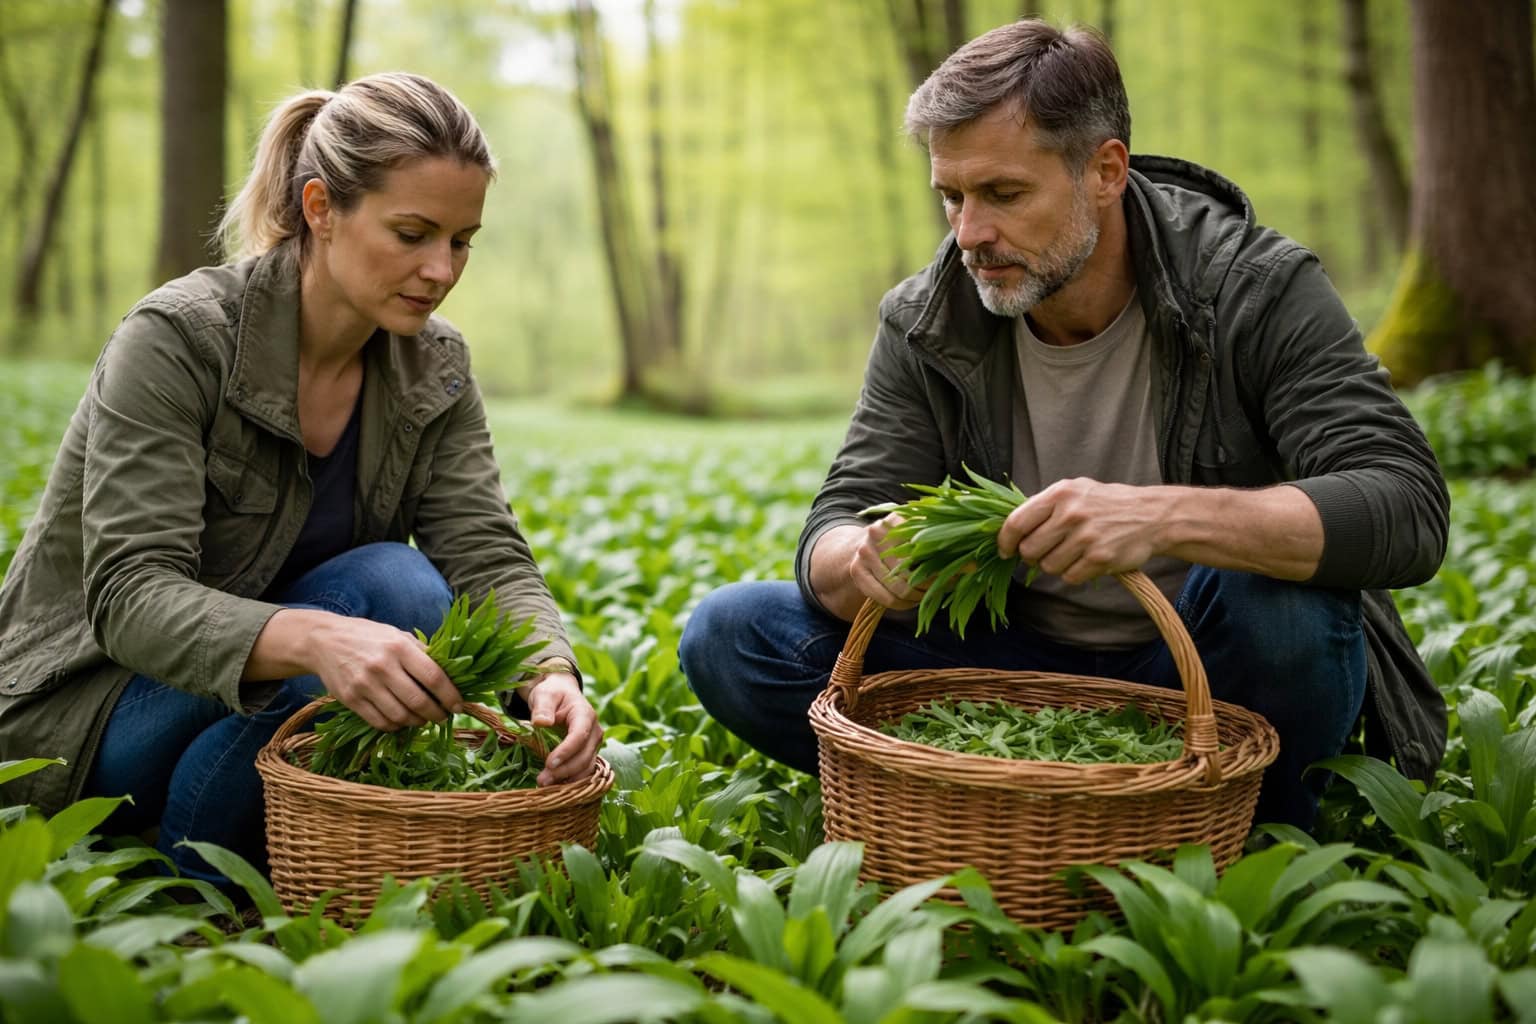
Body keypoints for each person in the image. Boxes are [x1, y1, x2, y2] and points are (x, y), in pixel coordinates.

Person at [680, 20, 1449, 830]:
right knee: (732, 635)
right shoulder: (925, 318)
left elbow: (1405, 503)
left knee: (1283, 610)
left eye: (1004, 194)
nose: (969, 234)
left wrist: (1160, 518)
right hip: (1007, 672)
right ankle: (1051, 797)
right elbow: (839, 520)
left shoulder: (1254, 287)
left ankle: (1235, 822)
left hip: (1204, 669)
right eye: (952, 196)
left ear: (1105, 171)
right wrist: (861, 558)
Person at [0, 72, 601, 887]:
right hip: (91, 712)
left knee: (398, 591)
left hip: (266, 704)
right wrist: (315, 637)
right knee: (373, 607)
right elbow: (129, 596)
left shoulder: (435, 365)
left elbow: (485, 550)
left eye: (462, 241)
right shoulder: (179, 339)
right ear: (320, 208)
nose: (440, 269)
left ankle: (214, 848)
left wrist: (550, 674)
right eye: (412, 233)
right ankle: (200, 875)